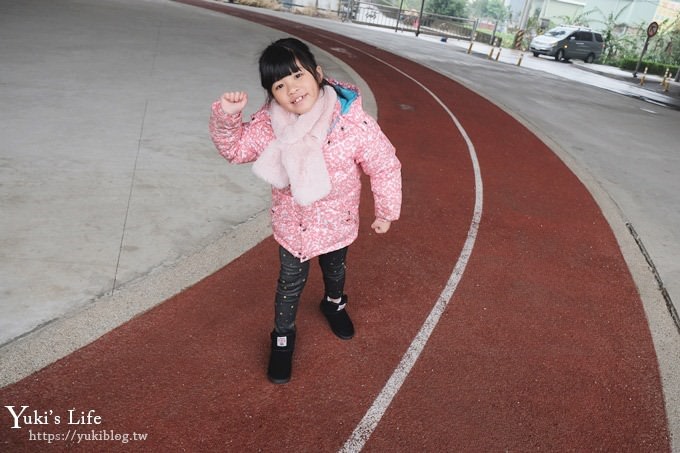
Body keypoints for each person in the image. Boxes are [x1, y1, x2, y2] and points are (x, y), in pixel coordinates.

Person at [209, 37, 402, 384]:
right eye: (279, 85)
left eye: (297, 76)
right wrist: (227, 117)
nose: (292, 89)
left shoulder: (351, 123)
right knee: (289, 284)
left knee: (335, 269)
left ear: (318, 73)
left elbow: (385, 164)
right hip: (292, 225)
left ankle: (334, 303)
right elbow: (236, 149)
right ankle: (282, 340)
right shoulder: (270, 125)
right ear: (272, 94)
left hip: (337, 222)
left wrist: (386, 211)